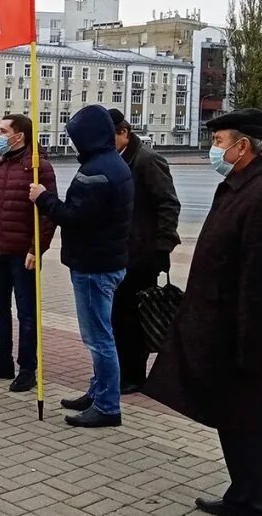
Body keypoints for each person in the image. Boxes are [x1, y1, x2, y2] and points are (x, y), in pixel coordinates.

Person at [144, 109, 262, 516]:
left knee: (247, 419)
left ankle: (254, 501)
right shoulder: (242, 183)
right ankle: (244, 492)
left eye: (219, 143)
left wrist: (249, 345)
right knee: (235, 417)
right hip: (222, 325)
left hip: (245, 334)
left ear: (244, 146)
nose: (213, 150)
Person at [30, 104, 133, 428]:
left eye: (76, 137)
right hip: (108, 260)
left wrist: (43, 198)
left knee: (99, 339)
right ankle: (98, 390)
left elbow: (74, 217)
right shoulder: (112, 164)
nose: (73, 143)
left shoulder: (95, 172)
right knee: (103, 335)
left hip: (93, 266)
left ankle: (107, 406)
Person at [0, 114, 57, 392]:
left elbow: (48, 214)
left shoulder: (38, 168)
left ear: (18, 136)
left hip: (23, 254)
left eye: (2, 130)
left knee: (27, 313)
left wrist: (37, 249)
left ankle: (27, 367)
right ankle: (2, 360)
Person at [107, 109, 181, 395]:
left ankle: (134, 375)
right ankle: (122, 370)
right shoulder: (114, 160)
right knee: (117, 316)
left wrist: (162, 248)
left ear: (124, 132)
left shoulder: (147, 160)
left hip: (141, 255)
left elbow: (168, 204)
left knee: (134, 317)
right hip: (117, 252)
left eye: (108, 137)